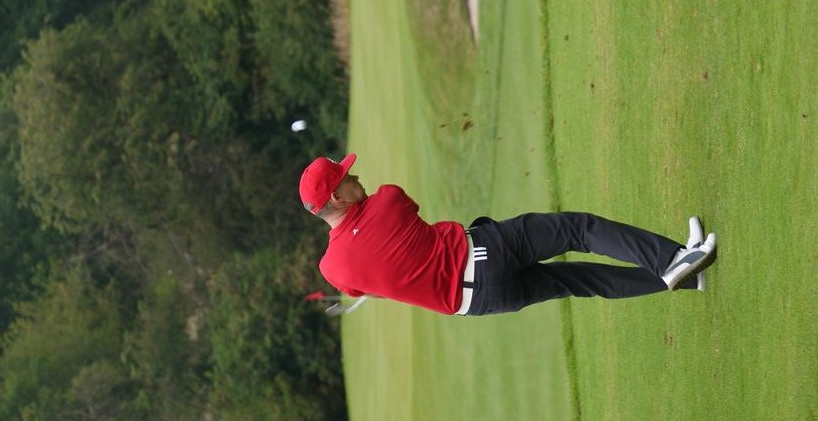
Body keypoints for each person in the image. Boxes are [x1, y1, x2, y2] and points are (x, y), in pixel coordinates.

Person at [299, 153, 717, 316]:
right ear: (337, 196)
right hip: (484, 252)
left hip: (483, 302)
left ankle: (684, 279)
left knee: (582, 282)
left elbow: (367, 288)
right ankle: (672, 261)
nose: (356, 176)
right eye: (347, 177)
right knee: (578, 229)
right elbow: (402, 213)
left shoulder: (332, 269)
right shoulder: (387, 199)